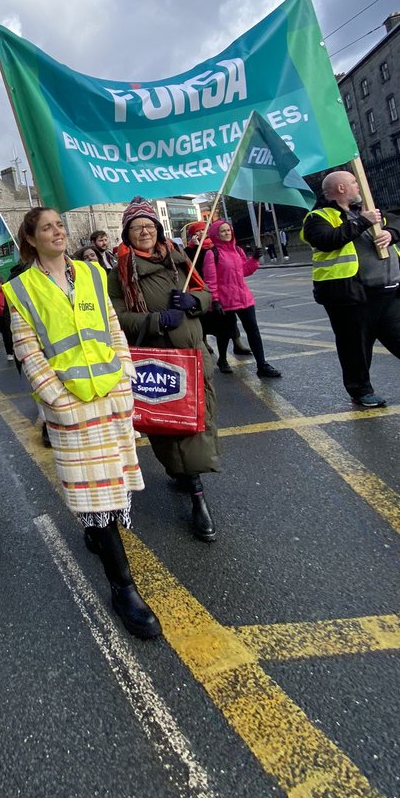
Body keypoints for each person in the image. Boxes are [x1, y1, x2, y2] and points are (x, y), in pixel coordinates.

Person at [4, 207, 161, 639]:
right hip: (71, 407)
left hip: (111, 396)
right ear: (31, 239)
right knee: (97, 497)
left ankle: (99, 537)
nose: (58, 231)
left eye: (60, 225)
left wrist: (126, 373)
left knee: (113, 484)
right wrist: (58, 401)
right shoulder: (20, 289)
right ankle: (122, 585)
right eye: (47, 227)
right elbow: (28, 352)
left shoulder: (91, 273)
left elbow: (112, 327)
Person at [107, 198, 219, 542]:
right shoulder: (120, 273)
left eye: (150, 226)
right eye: (137, 227)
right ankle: (189, 483)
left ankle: (195, 487)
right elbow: (115, 316)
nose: (145, 231)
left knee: (199, 418)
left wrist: (193, 302)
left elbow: (205, 293)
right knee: (168, 425)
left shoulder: (180, 258)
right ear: (127, 233)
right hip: (156, 361)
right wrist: (155, 320)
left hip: (193, 354)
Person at [302, 171, 400, 406]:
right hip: (351, 296)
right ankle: (360, 391)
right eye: (355, 183)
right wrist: (364, 221)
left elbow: (399, 224)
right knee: (355, 346)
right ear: (341, 189)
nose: (359, 187)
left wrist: (390, 233)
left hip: (390, 289)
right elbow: (327, 239)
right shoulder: (319, 217)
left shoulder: (369, 209)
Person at [202, 221, 281, 379]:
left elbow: (244, 271)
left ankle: (262, 365)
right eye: (222, 231)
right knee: (224, 333)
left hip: (243, 297)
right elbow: (210, 280)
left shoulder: (238, 250)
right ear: (215, 235)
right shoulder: (212, 253)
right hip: (225, 300)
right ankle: (223, 359)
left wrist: (254, 259)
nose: (227, 233)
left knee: (253, 331)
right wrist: (215, 301)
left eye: (228, 230)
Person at [184, 223, 251, 359]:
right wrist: (197, 247)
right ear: (193, 235)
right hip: (199, 287)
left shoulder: (213, 247)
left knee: (229, 318)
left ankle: (237, 342)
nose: (202, 233)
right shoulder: (189, 250)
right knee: (204, 319)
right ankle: (205, 342)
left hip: (218, 288)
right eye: (199, 231)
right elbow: (195, 265)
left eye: (204, 230)